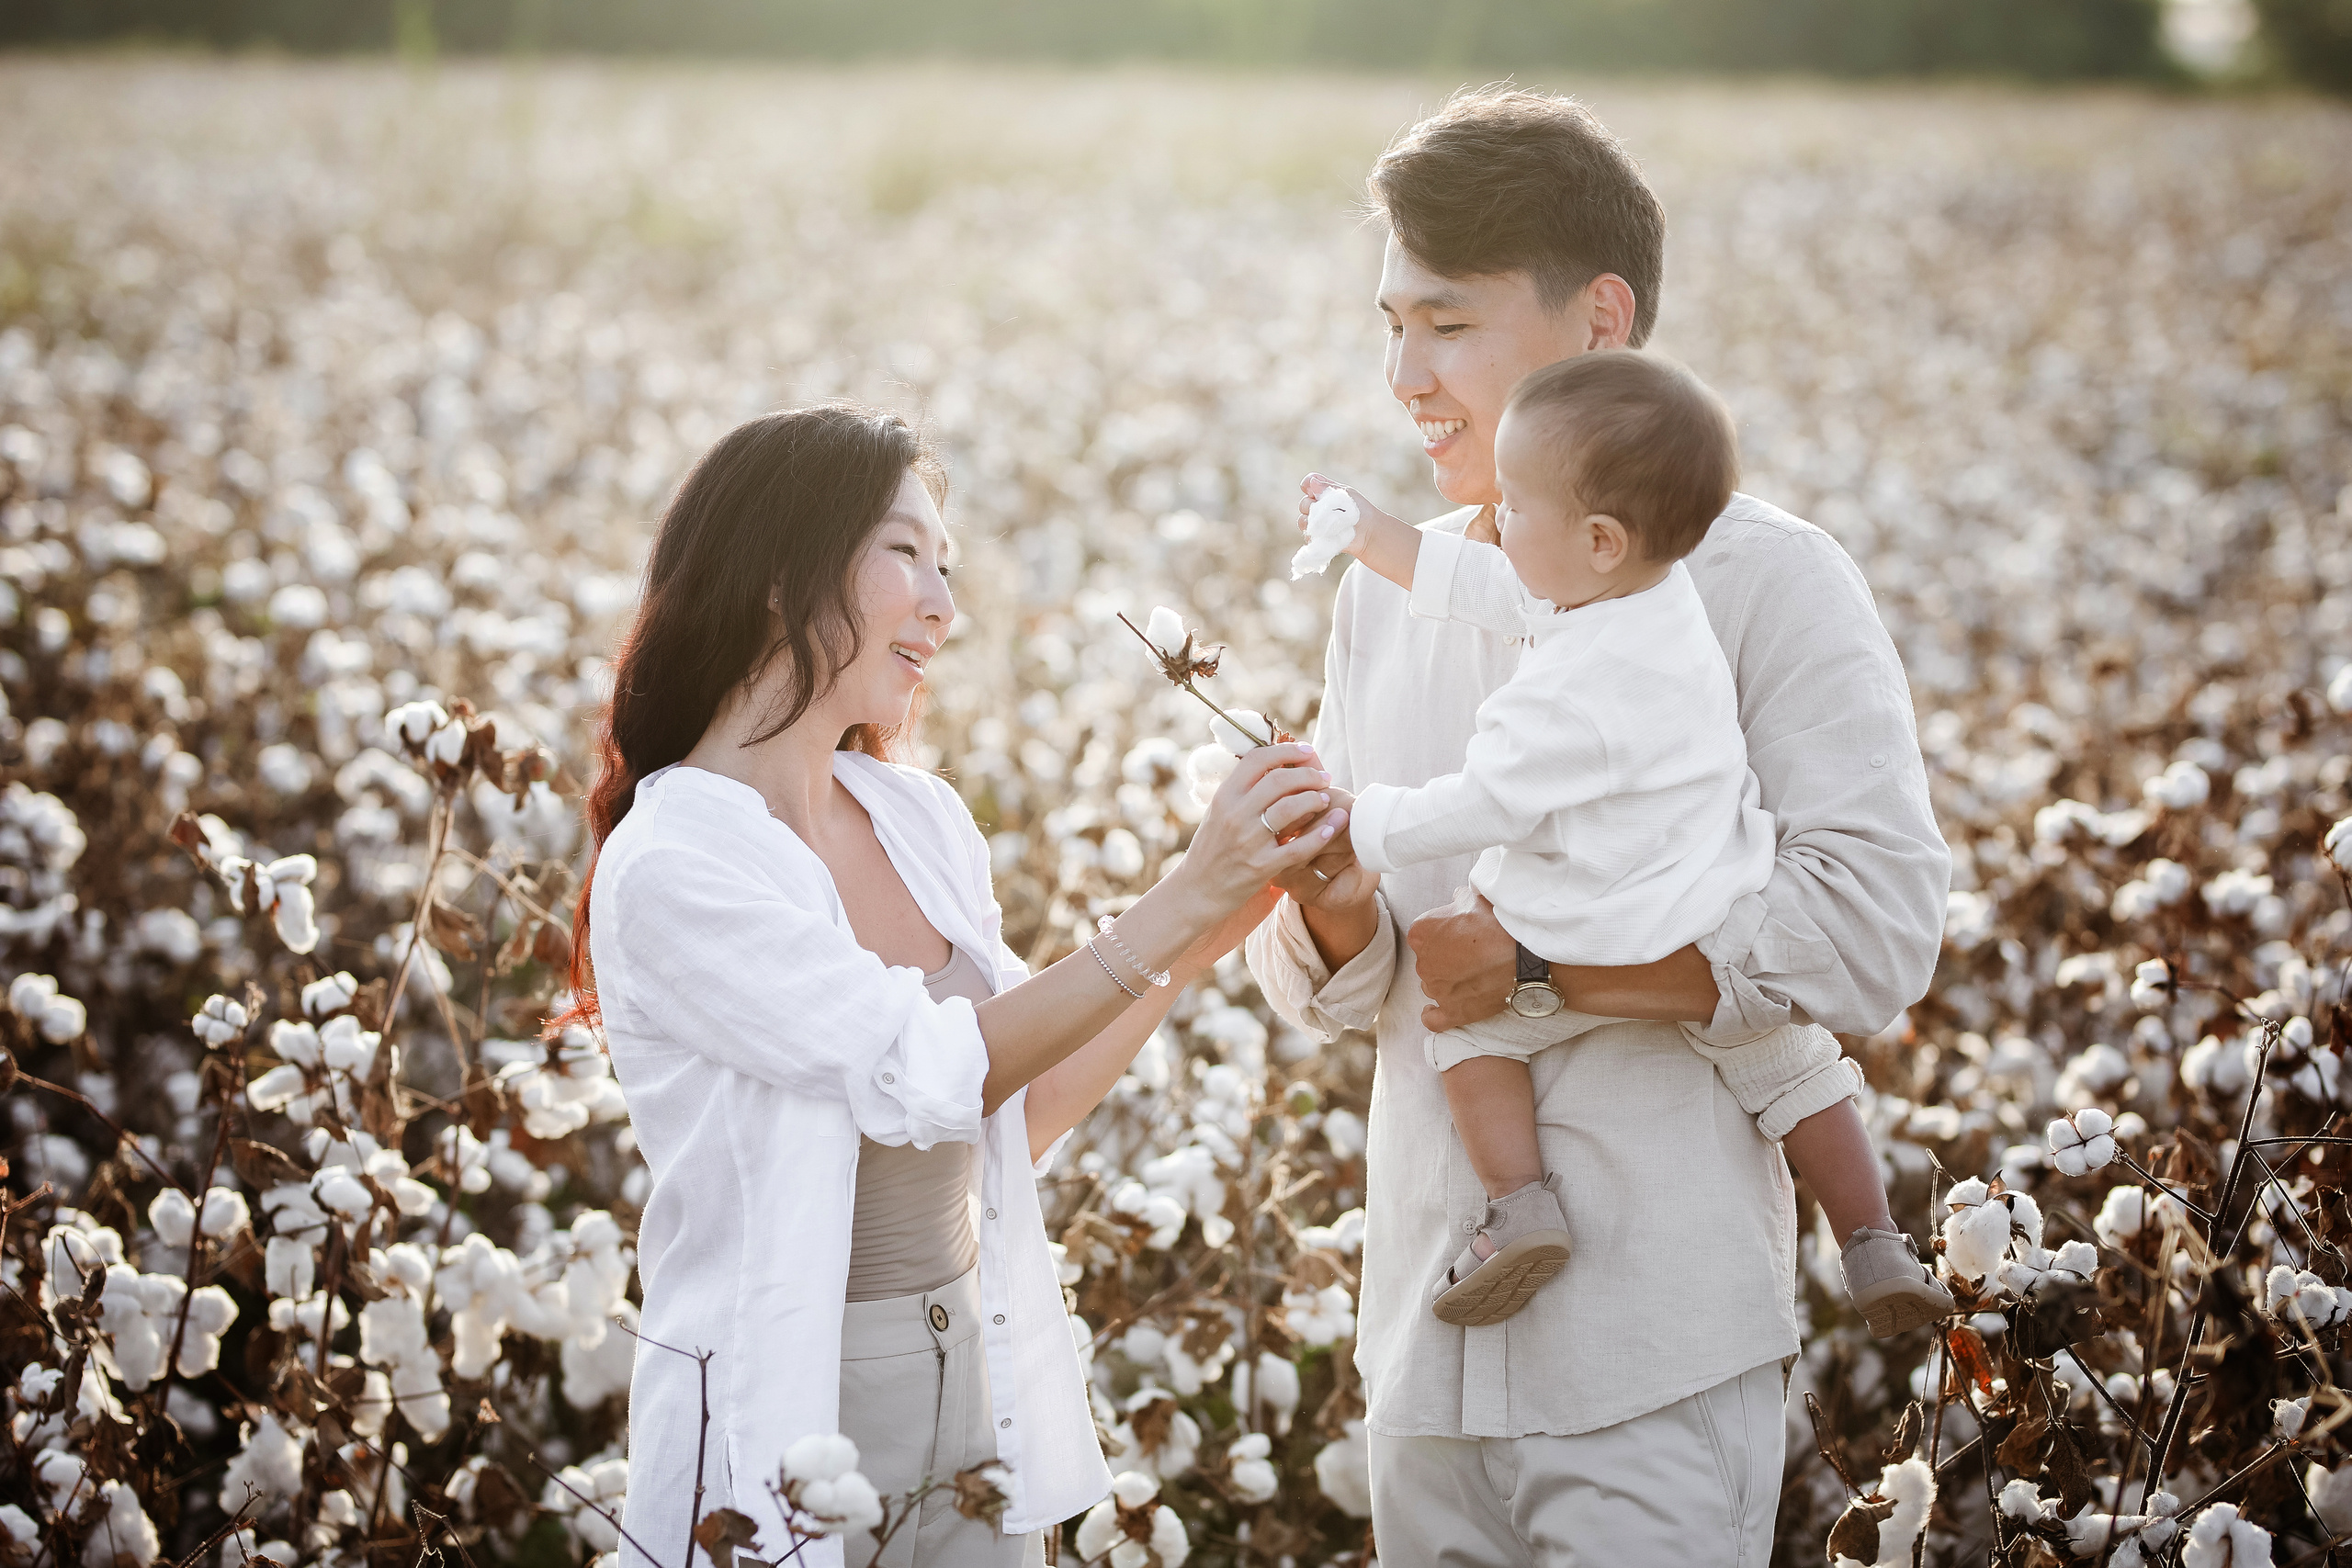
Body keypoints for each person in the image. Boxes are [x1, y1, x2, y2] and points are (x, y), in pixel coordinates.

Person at [1245, 88, 1951, 1562]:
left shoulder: (1771, 582)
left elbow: (1874, 932)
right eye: (1391, 325)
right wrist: (1317, 897)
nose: (1401, 375)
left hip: (1653, 1352)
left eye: (1445, 324)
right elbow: (1351, 988)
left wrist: (1549, 978)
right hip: (1424, 1351)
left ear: (1602, 319)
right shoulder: (1387, 587)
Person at [557, 403, 1349, 1568]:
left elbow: (1007, 1112)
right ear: (778, 574)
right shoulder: (676, 860)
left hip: (975, 1379)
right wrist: (1179, 899)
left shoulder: (915, 816)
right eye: (903, 555)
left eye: (949, 566)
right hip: (794, 1403)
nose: (943, 604)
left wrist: (1213, 923)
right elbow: (924, 1070)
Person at [1296, 350, 1952, 1338]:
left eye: (1513, 505)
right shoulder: (1649, 598)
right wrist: (1374, 535)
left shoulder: (1575, 689)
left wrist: (1366, 824)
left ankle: (1518, 1211)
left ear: (1598, 538)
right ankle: (1872, 1238)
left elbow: (1488, 802)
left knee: (1466, 1035)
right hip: (1711, 889)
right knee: (1791, 1061)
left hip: (1603, 914)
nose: (1495, 523)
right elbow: (1480, 581)